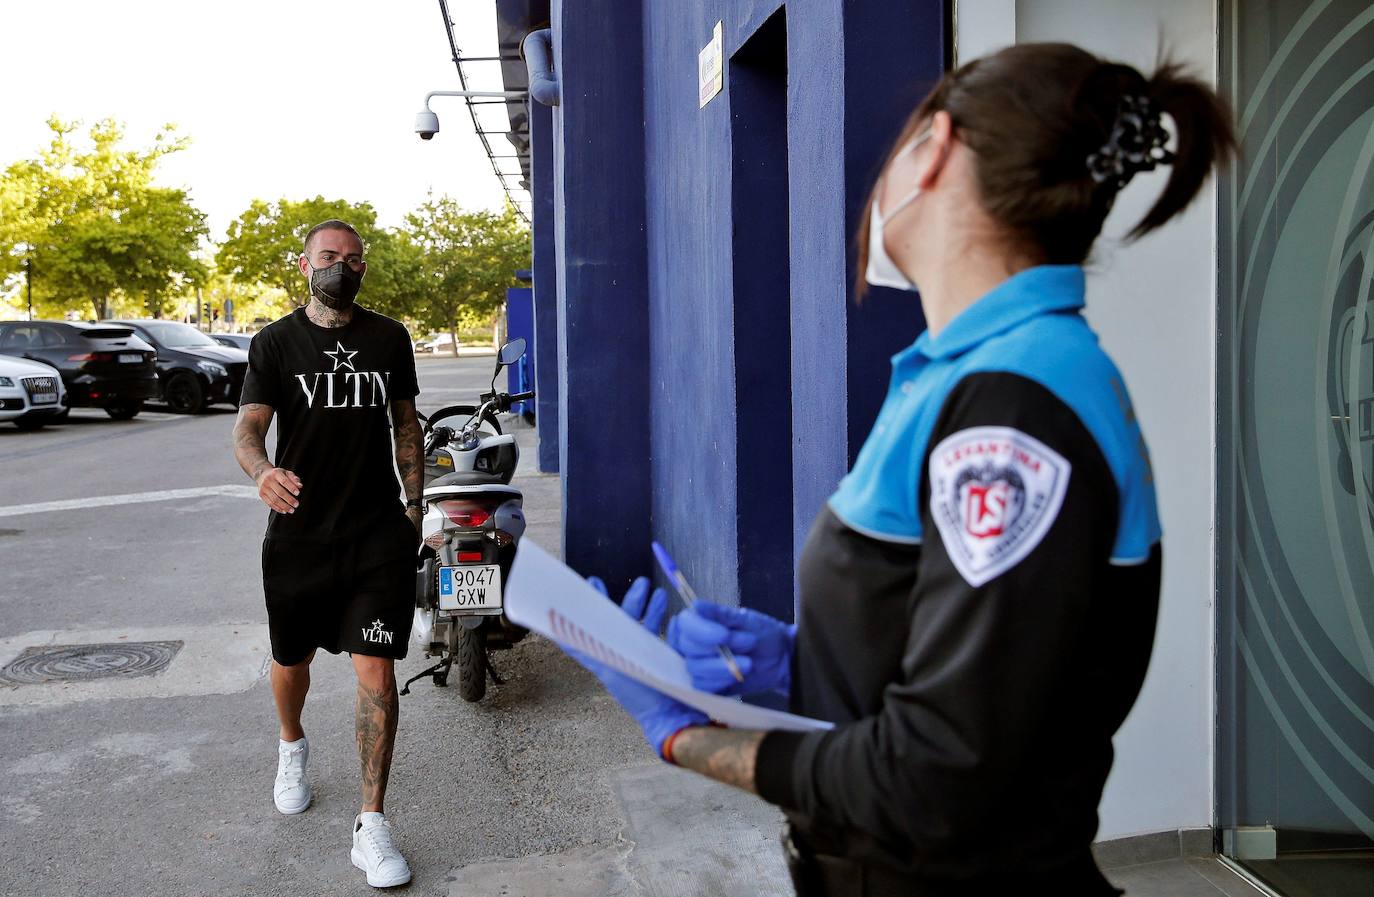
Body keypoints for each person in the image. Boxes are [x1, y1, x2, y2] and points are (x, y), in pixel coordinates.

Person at [567, 44, 1237, 896]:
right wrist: (802, 666)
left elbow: (938, 777)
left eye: (903, 138)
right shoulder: (969, 372)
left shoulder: (1013, 410)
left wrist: (681, 734)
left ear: (938, 149)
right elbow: (971, 664)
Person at [232, 219, 424, 889]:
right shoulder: (275, 342)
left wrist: (413, 507)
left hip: (375, 534)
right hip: (300, 537)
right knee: (292, 660)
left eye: (351, 258)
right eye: (328, 256)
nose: (340, 266)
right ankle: (292, 742)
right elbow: (249, 430)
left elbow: (405, 423)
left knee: (376, 667)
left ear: (364, 268)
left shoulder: (388, 338)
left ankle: (370, 824)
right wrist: (261, 471)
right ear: (305, 264)